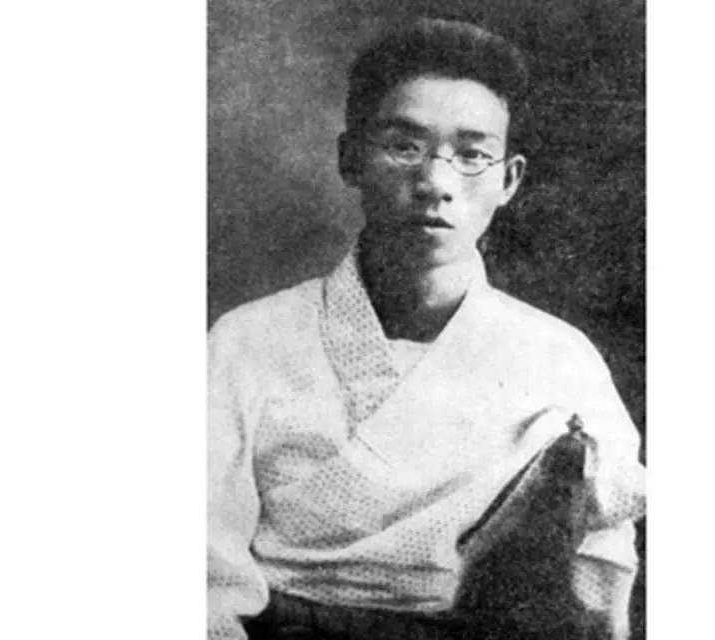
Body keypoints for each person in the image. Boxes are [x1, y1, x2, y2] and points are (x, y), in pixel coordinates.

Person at [208, 18, 646, 640]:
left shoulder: (560, 358)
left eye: (472, 155)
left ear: (509, 179)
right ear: (350, 159)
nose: (436, 184)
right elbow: (197, 574)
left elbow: (598, 576)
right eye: (404, 147)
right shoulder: (246, 342)